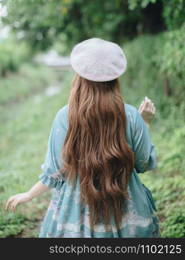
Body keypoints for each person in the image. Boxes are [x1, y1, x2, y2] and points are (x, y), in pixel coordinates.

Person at [5, 38, 160, 238]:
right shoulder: (131, 116)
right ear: (115, 78)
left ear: (79, 77)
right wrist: (145, 122)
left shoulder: (65, 116)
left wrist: (29, 194)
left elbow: (55, 171)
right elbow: (143, 164)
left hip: (75, 216)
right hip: (127, 213)